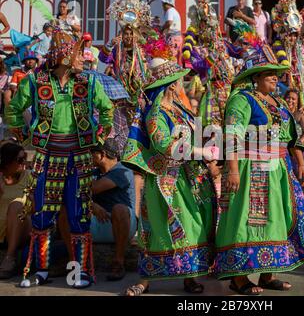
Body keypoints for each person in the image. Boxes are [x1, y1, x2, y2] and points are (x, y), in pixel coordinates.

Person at [5, 29, 113, 289]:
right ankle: (40, 269)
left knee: (78, 214)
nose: (81, 58)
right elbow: (13, 109)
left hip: (79, 157)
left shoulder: (87, 83)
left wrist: (97, 138)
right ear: (63, 56)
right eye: (76, 53)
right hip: (47, 156)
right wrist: (25, 135)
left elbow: (107, 110)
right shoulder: (36, 81)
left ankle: (79, 272)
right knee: (42, 214)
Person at [214, 42, 304, 295]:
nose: (275, 76)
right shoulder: (242, 100)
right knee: (246, 221)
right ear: (255, 76)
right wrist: (233, 169)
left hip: (279, 169)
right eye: (269, 72)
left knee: (276, 220)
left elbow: (292, 138)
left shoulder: (278, 103)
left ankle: (268, 274)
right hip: (251, 169)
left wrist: (300, 164)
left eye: (276, 73)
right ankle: (239, 279)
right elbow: (232, 134)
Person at [121, 35, 217, 296]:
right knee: (162, 230)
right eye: (178, 80)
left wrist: (208, 138)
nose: (182, 83)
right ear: (170, 85)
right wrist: (201, 150)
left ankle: (190, 276)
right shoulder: (156, 114)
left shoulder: (177, 110)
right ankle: (146, 280)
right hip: (167, 181)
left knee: (194, 225)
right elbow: (166, 145)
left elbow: (192, 135)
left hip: (187, 177)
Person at [100, 0, 153, 152]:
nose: (128, 37)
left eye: (131, 34)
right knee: (122, 124)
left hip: (139, 92)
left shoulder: (141, 50)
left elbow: (148, 67)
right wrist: (111, 44)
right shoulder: (117, 50)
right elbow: (103, 57)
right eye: (125, 33)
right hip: (121, 93)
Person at [89, 138, 136, 281]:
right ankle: (73, 262)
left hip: (122, 224)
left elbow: (92, 188)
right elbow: (75, 191)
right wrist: (92, 205)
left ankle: (119, 262)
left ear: (102, 155)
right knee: (67, 208)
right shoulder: (94, 172)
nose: (89, 156)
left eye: (92, 153)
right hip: (98, 222)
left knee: (119, 209)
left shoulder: (122, 171)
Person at [0, 140, 31, 279]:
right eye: (20, 160)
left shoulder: (29, 177)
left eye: (25, 158)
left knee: (16, 205)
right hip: (2, 229)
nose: (24, 162)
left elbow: (37, 208)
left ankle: (10, 257)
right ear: (7, 162)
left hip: (22, 226)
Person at [285, 89, 304, 169]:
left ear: (297, 102)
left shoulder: (301, 113)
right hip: (287, 147)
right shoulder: (281, 113)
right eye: (288, 98)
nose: (290, 100)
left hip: (303, 146)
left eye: (293, 99)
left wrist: (296, 144)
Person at [161, 0, 182, 65]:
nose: (163, 6)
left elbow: (169, 22)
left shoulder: (169, 11)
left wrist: (162, 29)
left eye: (164, 4)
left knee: (171, 58)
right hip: (177, 37)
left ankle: (173, 74)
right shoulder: (175, 11)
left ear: (168, 4)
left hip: (173, 38)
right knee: (177, 58)